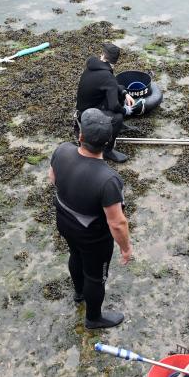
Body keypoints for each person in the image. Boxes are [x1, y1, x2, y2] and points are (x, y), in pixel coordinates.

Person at [50, 108, 133, 329]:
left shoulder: (62, 150)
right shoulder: (108, 180)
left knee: (75, 255)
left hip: (65, 222)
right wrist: (125, 248)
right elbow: (117, 223)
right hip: (93, 237)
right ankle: (93, 318)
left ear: (81, 136)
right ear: (108, 144)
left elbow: (52, 179)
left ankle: (79, 293)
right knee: (96, 276)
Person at [75, 43, 144, 163]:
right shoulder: (108, 76)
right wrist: (126, 111)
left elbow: (113, 85)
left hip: (83, 109)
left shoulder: (93, 66)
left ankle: (118, 127)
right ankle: (107, 150)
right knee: (117, 117)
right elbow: (114, 106)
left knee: (119, 91)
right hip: (86, 117)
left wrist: (125, 93)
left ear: (102, 55)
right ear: (115, 61)